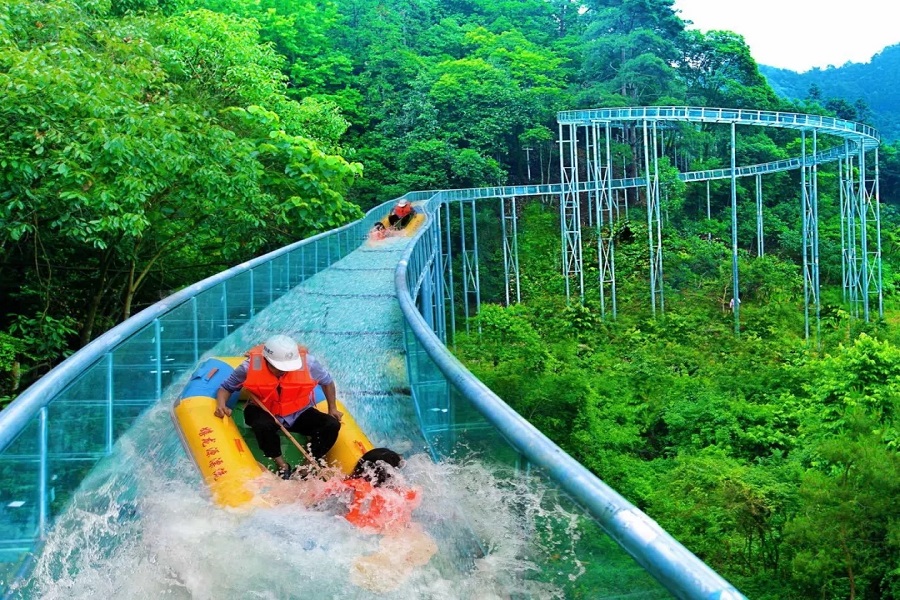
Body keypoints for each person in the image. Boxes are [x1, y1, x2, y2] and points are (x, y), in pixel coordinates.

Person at [213, 334, 343, 479]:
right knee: (262, 425)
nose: (284, 371)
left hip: (298, 411)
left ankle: (306, 466)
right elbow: (226, 387)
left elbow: (327, 382)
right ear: (266, 360)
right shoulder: (248, 366)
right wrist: (221, 405)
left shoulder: (309, 363)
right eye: (279, 368)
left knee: (331, 425)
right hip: (263, 409)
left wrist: (333, 408)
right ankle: (282, 464)